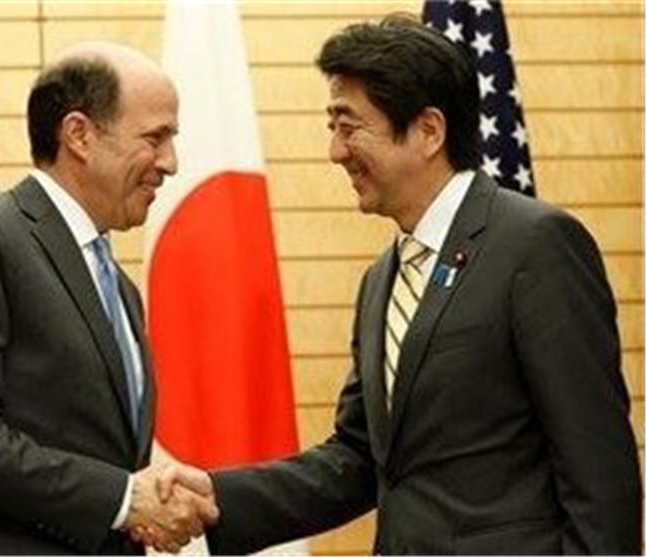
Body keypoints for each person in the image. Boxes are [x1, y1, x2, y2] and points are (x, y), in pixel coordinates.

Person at [155, 15, 642, 555]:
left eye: (349, 126)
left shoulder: (535, 246)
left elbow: (599, 470)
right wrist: (218, 496)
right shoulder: (381, 280)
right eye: (332, 127)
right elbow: (359, 459)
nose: (335, 151)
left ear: (428, 131)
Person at [0, 42, 217, 555]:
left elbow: (99, 453)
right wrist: (121, 498)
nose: (171, 163)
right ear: (79, 135)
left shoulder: (120, 288)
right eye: (155, 138)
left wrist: (140, 500)